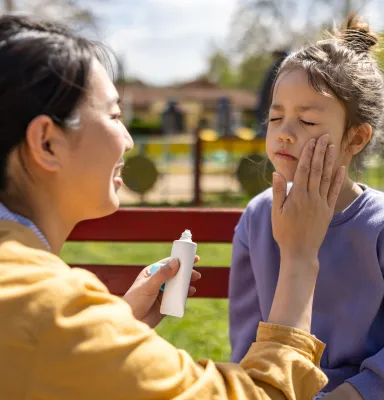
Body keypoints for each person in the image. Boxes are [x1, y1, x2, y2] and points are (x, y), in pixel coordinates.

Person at [0, 14, 345, 399]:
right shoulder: (49, 309)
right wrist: (298, 258)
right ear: (47, 142)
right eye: (114, 116)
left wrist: (118, 326)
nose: (128, 141)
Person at [229, 15, 384, 400]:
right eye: (275, 117)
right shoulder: (258, 217)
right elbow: (245, 337)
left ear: (355, 138)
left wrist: (357, 392)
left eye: (306, 120)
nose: (285, 131)